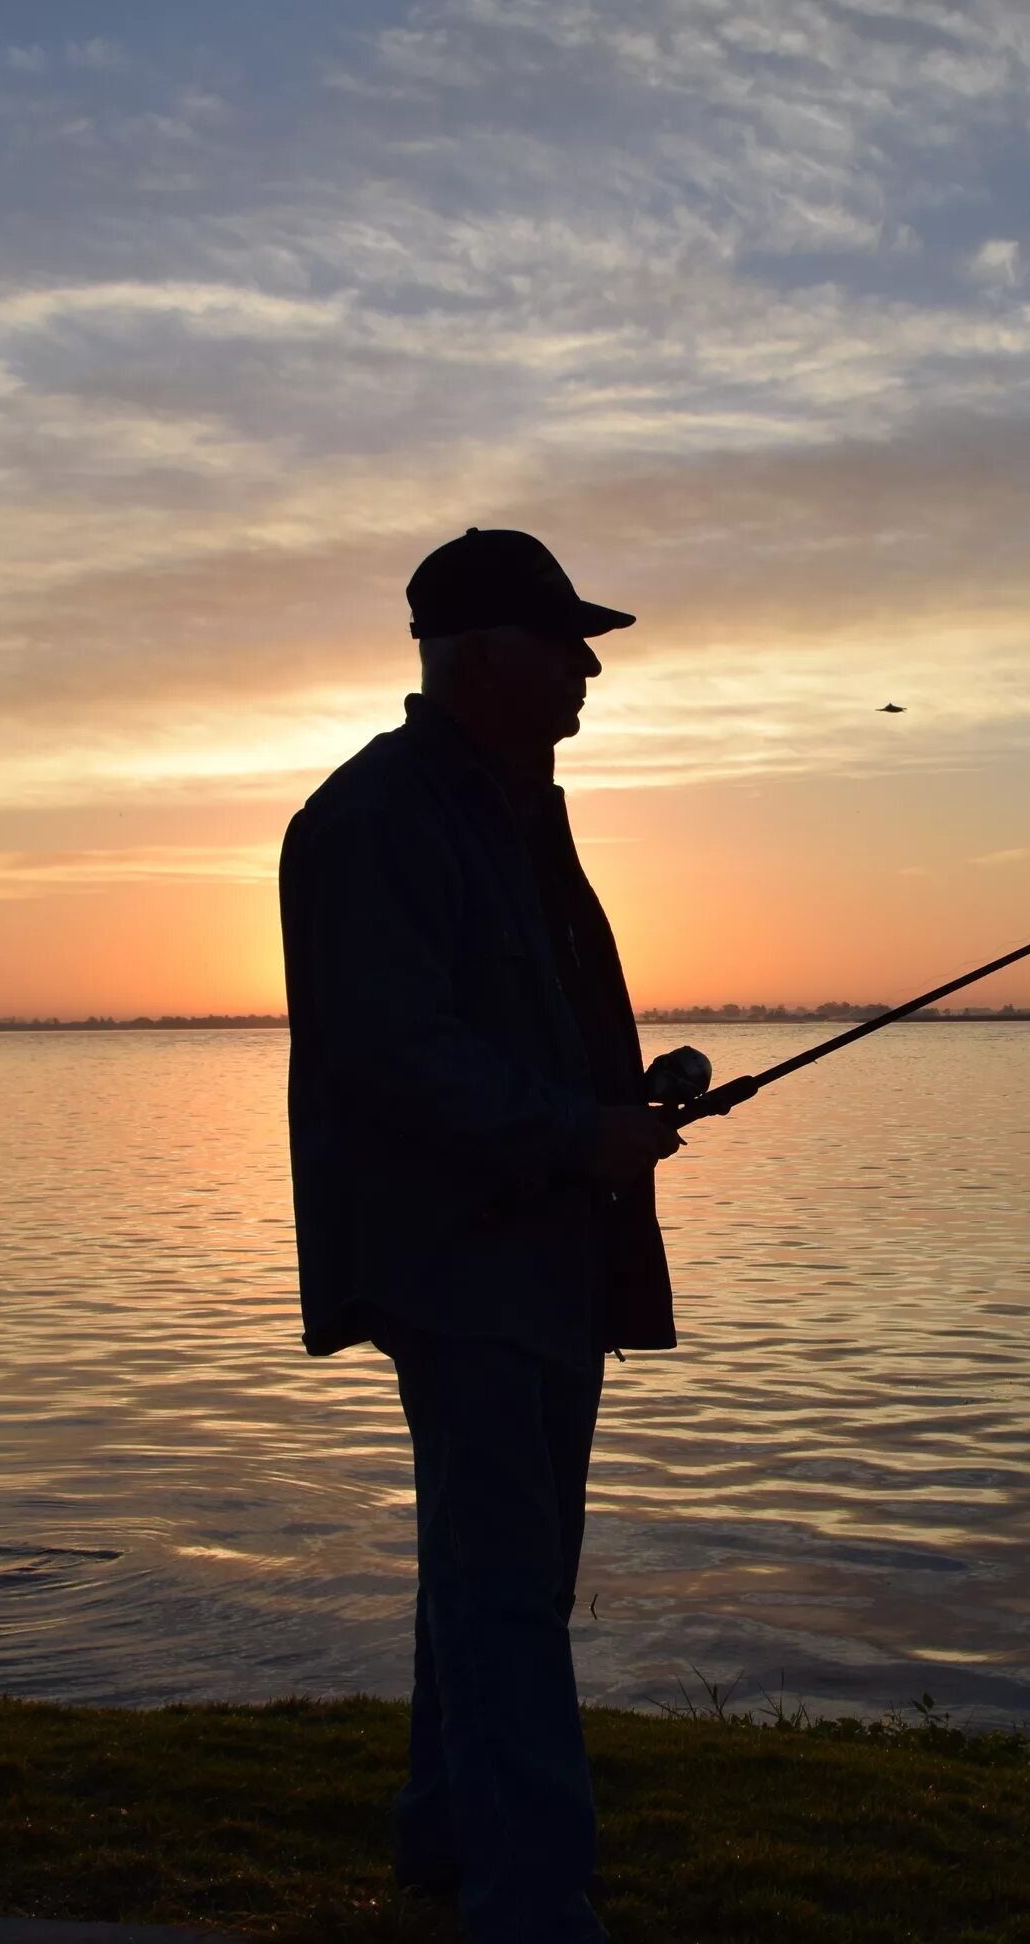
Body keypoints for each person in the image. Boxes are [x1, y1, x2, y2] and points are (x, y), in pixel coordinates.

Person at [279, 527, 685, 1944]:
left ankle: (448, 1851)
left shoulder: (508, 811)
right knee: (508, 1591)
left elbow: (497, 1035)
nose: (587, 666)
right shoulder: (379, 820)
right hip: (464, 1258)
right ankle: (532, 1908)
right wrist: (579, 1134)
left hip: (539, 1248)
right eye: (563, 640)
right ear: (479, 654)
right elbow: (402, 1054)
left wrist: (607, 1113)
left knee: (488, 1570)